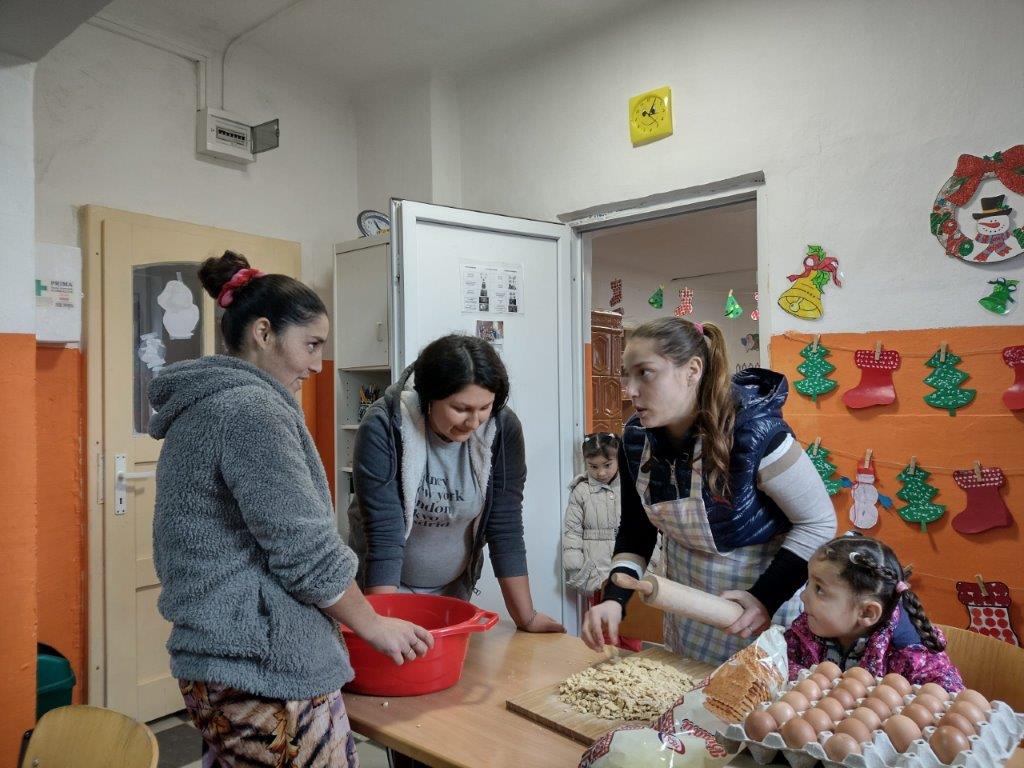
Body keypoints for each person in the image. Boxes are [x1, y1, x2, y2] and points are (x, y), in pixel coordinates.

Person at [150, 251, 433, 767]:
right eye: (311, 345)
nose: (317, 364)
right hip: (257, 663)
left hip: (219, 658)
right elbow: (304, 549)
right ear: (263, 333)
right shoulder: (249, 410)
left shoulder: (208, 404)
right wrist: (371, 624)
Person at [582, 317, 836, 664]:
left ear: (693, 370)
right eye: (627, 374)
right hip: (690, 611)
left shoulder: (756, 431)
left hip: (758, 613)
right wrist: (615, 597)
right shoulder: (635, 438)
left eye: (646, 373)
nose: (630, 390)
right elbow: (636, 529)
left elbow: (818, 523)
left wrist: (763, 598)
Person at [349, 333, 564, 633]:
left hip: (452, 593)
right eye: (461, 408)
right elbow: (384, 534)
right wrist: (381, 627)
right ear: (428, 396)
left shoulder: (501, 428)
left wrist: (526, 617)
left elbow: (505, 525)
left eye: (485, 408)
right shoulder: (386, 426)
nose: (474, 422)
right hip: (381, 590)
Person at [786, 533, 964, 690]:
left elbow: (949, 699)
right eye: (809, 583)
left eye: (819, 589)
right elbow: (782, 665)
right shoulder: (806, 629)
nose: (803, 596)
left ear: (866, 613)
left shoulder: (909, 653)